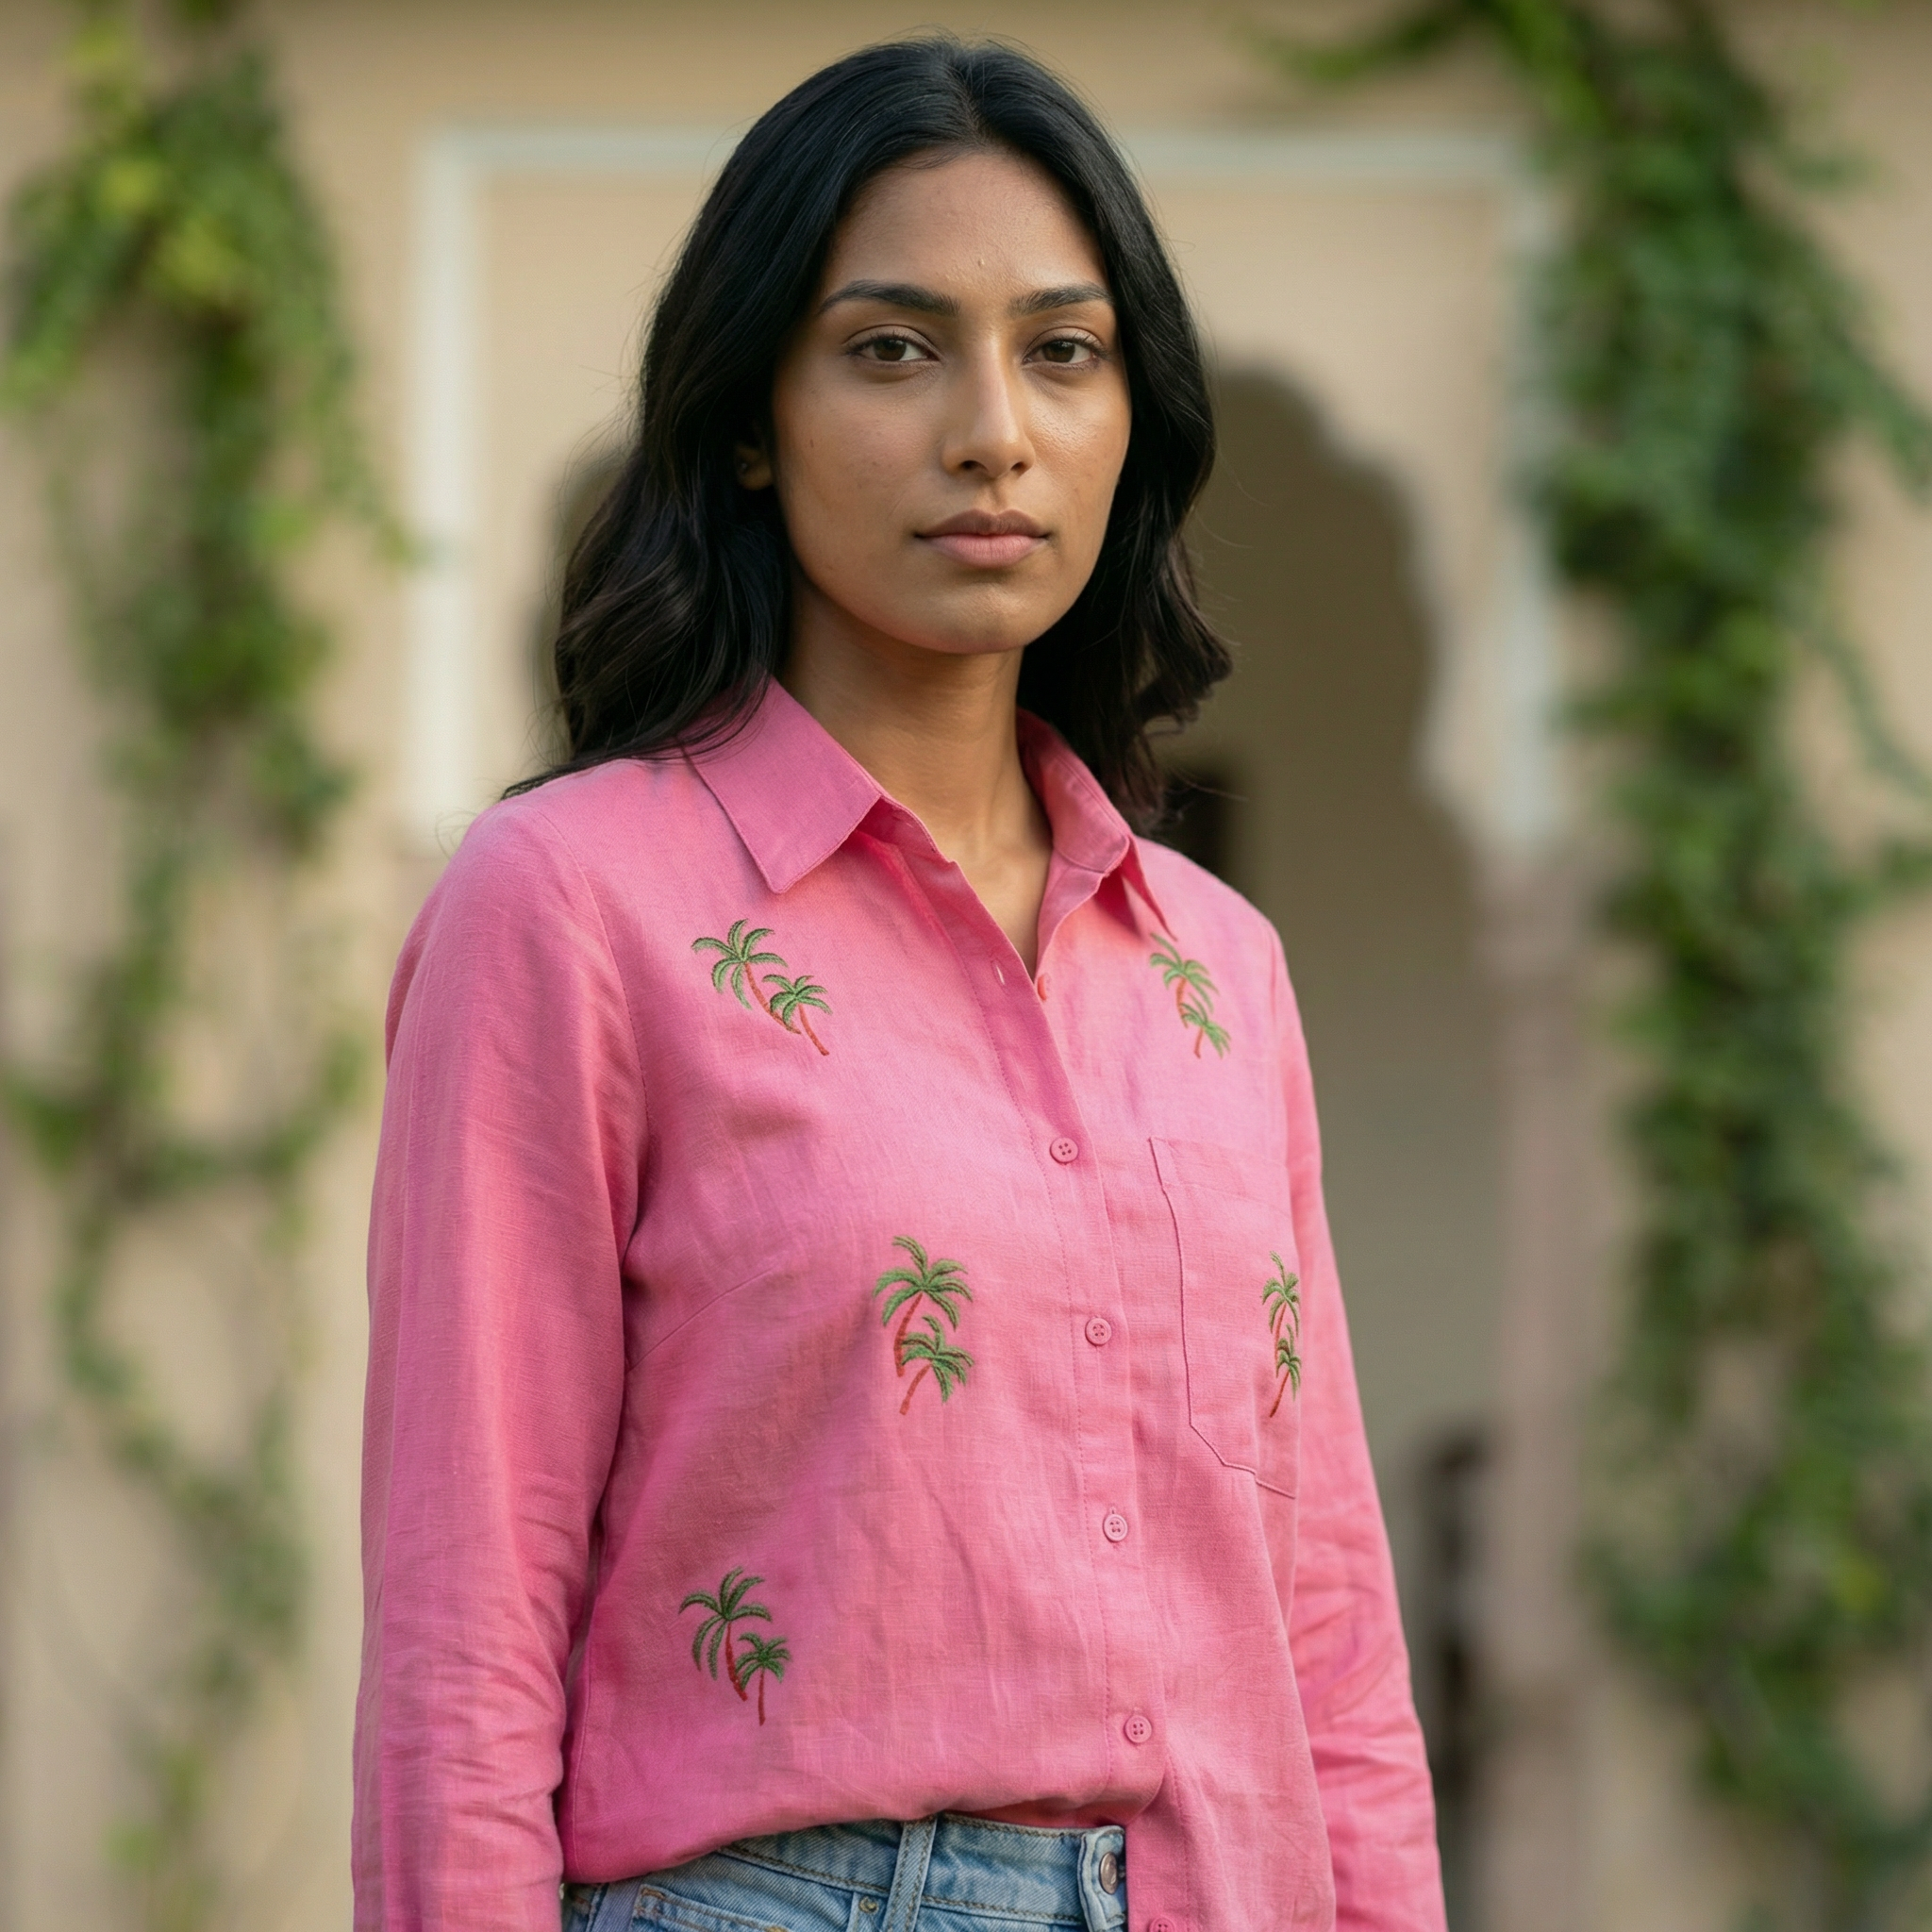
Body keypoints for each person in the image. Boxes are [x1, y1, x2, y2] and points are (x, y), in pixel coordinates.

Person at [354, 36, 1445, 1932]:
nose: (990, 432)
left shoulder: (1217, 970)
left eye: (1062, 350)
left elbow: (1326, 1614)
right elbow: (466, 1612)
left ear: (1131, 416)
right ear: (752, 414)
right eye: (890, 346)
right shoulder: (570, 909)